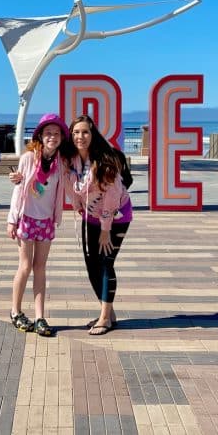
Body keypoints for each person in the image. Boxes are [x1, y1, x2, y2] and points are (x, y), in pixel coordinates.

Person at [5, 113, 74, 337]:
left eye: (56, 133)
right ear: (40, 136)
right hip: (26, 218)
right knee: (25, 267)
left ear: (62, 137)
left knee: (41, 268)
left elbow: (66, 188)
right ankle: (15, 311)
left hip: (46, 221)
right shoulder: (28, 158)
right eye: (48, 133)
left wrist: (81, 206)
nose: (52, 137)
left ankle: (40, 317)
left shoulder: (62, 162)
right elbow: (18, 190)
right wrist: (11, 219)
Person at [66, 115, 133, 336]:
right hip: (89, 217)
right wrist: (77, 205)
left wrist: (106, 229)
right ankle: (109, 313)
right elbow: (64, 180)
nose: (80, 137)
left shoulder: (105, 159)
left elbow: (112, 196)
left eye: (85, 132)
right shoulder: (72, 160)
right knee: (91, 265)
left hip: (116, 217)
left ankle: (105, 318)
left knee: (106, 262)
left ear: (93, 135)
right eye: (76, 132)